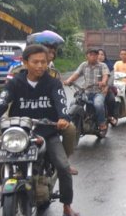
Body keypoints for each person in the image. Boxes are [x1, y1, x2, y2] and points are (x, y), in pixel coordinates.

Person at [0, 44, 81, 216]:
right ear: (25, 63)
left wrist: (63, 117)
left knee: (63, 167)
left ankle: (67, 206)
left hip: (47, 132)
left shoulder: (53, 83)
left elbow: (61, 102)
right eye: (35, 62)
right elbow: (0, 104)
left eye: (43, 62)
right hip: (18, 133)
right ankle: (2, 180)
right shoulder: (15, 83)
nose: (40, 66)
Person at [8, 30, 79, 175]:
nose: (50, 55)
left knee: (70, 129)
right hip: (19, 111)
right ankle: (4, 174)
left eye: (52, 52)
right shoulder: (17, 72)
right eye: (47, 51)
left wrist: (62, 117)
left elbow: (58, 98)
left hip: (45, 117)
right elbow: (8, 95)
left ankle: (64, 160)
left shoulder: (53, 74)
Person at [64, 48, 110, 132]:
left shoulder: (102, 65)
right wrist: (68, 80)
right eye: (90, 54)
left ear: (97, 56)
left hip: (98, 92)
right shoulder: (83, 65)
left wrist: (103, 82)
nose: (93, 56)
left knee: (98, 104)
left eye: (95, 55)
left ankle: (101, 123)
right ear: (86, 56)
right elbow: (76, 74)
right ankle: (72, 121)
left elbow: (105, 75)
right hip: (86, 91)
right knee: (74, 102)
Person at [98, 49, 118, 126]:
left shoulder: (109, 66)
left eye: (102, 54)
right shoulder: (92, 65)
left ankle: (110, 116)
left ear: (105, 56)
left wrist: (106, 87)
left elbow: (111, 78)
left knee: (111, 99)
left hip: (106, 88)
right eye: (98, 54)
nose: (100, 56)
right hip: (93, 88)